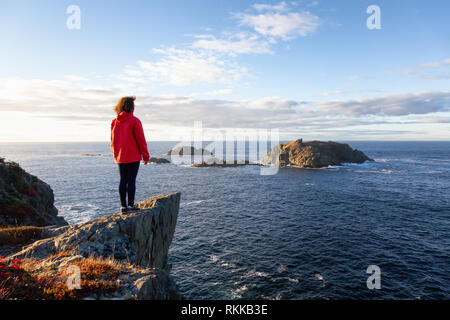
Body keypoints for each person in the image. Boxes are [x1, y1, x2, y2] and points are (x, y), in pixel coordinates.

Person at [110, 96, 150, 214]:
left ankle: (123, 206)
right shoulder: (135, 121)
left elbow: (113, 141)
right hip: (133, 156)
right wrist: (146, 156)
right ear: (131, 107)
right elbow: (141, 140)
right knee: (131, 180)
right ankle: (131, 205)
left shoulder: (114, 122)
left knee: (123, 180)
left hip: (120, 157)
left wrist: (116, 154)